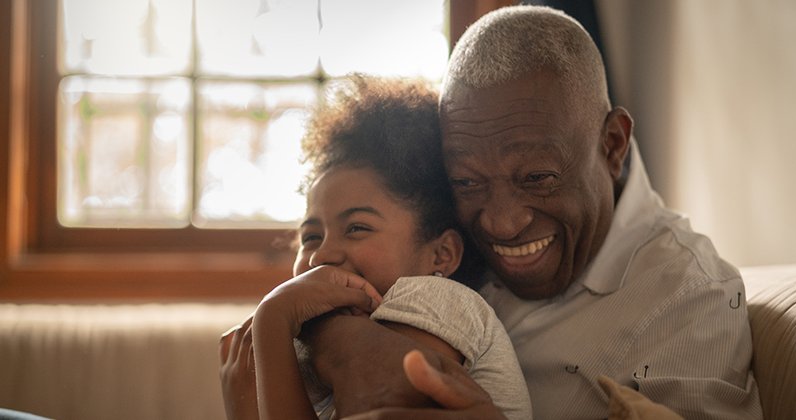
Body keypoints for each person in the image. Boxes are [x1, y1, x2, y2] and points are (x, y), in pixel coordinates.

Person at [300, 5, 763, 419]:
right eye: (468, 182)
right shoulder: (443, 240)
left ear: (613, 144)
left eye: (538, 178)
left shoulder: (688, 297)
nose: (501, 223)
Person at [219, 75, 532, 420]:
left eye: (356, 228)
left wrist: (272, 319)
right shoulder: (313, 342)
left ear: (440, 255)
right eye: (311, 236)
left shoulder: (439, 300)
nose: (321, 255)